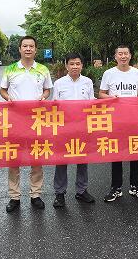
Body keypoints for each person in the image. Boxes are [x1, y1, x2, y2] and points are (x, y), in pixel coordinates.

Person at [0, 36, 52, 212]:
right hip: (15, 120)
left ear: (35, 49)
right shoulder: (10, 69)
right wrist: (8, 98)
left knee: (36, 157)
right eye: (25, 46)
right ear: (20, 49)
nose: (28, 49)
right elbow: (2, 90)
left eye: (31, 46)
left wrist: (43, 97)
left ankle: (35, 194)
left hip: (36, 120)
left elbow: (47, 90)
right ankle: (14, 196)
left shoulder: (43, 69)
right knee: (14, 158)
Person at [99, 45, 138, 202]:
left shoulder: (137, 73)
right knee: (116, 154)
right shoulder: (109, 73)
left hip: (135, 119)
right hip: (116, 120)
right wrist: (111, 98)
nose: (123, 56)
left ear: (130, 55)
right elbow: (101, 94)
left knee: (136, 153)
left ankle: (135, 186)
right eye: (120, 54)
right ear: (115, 57)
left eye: (126, 53)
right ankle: (116, 187)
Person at [51, 53, 96, 208]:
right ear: (66, 66)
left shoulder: (88, 82)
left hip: (83, 127)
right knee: (61, 160)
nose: (75, 66)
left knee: (82, 159)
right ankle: (59, 193)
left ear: (82, 65)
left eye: (78, 63)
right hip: (64, 128)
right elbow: (54, 106)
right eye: (71, 64)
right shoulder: (59, 83)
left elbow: (92, 103)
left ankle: (81, 190)